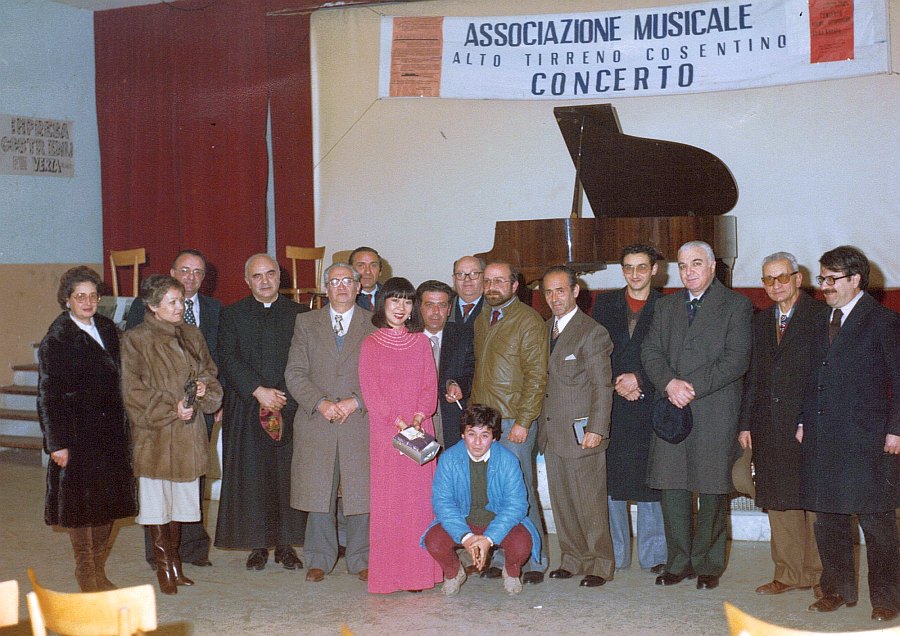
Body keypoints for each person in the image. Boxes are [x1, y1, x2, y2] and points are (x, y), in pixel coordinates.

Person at [641, 240, 752, 590]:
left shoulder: (737, 305)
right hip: (671, 408)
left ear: (712, 267)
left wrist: (690, 386)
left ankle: (708, 564)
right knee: (672, 488)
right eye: (683, 265)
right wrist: (669, 383)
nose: (688, 272)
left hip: (714, 410)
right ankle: (678, 562)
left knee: (712, 490)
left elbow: (736, 359)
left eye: (696, 264)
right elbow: (651, 350)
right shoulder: (666, 306)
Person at [798, 246, 900, 621]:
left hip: (868, 439)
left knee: (877, 522)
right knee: (829, 518)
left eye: (831, 279)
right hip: (823, 436)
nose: (823, 286)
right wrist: (803, 421)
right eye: (821, 278)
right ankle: (837, 590)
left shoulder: (884, 322)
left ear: (855, 280)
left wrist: (897, 429)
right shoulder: (819, 321)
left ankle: (887, 598)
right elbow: (813, 377)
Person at [37, 266, 137, 592]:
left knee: (107, 505)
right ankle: (85, 571)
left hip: (110, 436)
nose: (88, 301)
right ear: (67, 300)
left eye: (93, 295)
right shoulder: (57, 339)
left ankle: (98, 567)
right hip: (77, 437)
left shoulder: (108, 328)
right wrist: (56, 443)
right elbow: (47, 396)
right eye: (80, 296)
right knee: (81, 509)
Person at [121, 274, 222, 594]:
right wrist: (170, 408)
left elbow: (210, 372)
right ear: (152, 307)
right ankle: (164, 565)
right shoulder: (135, 339)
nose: (181, 307)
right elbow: (132, 391)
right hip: (156, 437)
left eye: (181, 301)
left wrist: (205, 390)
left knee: (181, 505)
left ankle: (176, 562)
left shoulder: (193, 335)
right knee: (156, 505)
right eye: (173, 302)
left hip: (188, 438)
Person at [738, 252, 826, 598]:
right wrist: (746, 423)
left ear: (798, 278)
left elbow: (824, 375)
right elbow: (754, 377)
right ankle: (789, 573)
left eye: (782, 278)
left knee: (814, 502)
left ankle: (822, 577)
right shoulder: (760, 321)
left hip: (808, 423)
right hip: (768, 425)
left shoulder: (821, 316)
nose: (775, 286)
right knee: (779, 500)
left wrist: (808, 418)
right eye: (768, 279)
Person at [214, 254, 307, 571]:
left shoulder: (300, 314)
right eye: (257, 276)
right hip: (247, 404)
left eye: (270, 274)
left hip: (289, 403)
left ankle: (286, 544)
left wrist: (280, 394)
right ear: (247, 280)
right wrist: (258, 390)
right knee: (253, 477)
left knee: (286, 477)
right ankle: (257, 544)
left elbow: (303, 359)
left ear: (280, 277)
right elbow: (227, 357)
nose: (265, 281)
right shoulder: (232, 315)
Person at [285, 263, 376, 584]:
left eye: (347, 281)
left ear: (358, 287)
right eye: (334, 281)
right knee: (318, 491)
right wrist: (320, 402)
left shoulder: (373, 324)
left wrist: (356, 401)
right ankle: (319, 558)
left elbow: (381, 375)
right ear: (326, 287)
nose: (340, 286)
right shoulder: (306, 323)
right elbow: (294, 372)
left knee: (360, 492)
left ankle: (361, 558)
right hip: (317, 419)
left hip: (358, 420)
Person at [358, 277, 443, 593]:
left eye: (407, 301)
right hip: (387, 434)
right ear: (383, 304)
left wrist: (420, 416)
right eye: (395, 300)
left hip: (420, 430)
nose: (401, 307)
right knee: (390, 505)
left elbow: (428, 385)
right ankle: (390, 575)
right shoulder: (370, 344)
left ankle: (420, 575)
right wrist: (398, 422)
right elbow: (371, 391)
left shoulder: (422, 342)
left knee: (420, 505)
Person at [470, 260, 549, 583]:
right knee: (494, 495)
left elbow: (536, 377)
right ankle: (504, 555)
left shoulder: (529, 321)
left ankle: (534, 561)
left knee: (522, 491)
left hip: (515, 420)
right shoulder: (482, 319)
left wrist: (524, 422)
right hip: (486, 424)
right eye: (487, 281)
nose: (492, 287)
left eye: (499, 281)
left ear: (515, 286)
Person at [592, 244, 668, 573]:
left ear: (654, 270)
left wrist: (640, 380)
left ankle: (654, 557)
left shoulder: (668, 306)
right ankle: (617, 555)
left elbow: (672, 356)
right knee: (613, 483)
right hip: (614, 406)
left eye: (641, 267)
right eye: (628, 267)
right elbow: (594, 351)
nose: (634, 274)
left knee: (651, 481)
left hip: (650, 404)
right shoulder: (605, 303)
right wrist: (614, 382)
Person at [539, 265, 615, 587]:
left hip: (582, 433)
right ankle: (571, 558)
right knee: (562, 501)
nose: (554, 298)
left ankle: (600, 563)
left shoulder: (592, 332)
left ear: (575, 291)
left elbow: (603, 386)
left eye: (560, 290)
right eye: (548, 292)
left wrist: (597, 428)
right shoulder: (542, 330)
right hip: (551, 432)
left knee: (590, 502)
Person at [422, 404, 541, 596]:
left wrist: (489, 539)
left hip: (497, 521)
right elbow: (442, 503)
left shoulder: (508, 460)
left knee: (523, 542)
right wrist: (466, 537)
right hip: (463, 520)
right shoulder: (448, 460)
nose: (477, 442)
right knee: (433, 540)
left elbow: (517, 505)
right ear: (462, 434)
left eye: (485, 435)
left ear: (494, 437)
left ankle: (511, 572)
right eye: (471, 434)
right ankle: (454, 573)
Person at [416, 279, 475, 448]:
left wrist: (457, 385)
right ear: (419, 307)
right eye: (429, 305)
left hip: (451, 420)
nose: (435, 312)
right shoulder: (407, 337)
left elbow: (471, 372)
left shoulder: (464, 335)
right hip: (416, 420)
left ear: (449, 309)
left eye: (441, 305)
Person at [448, 255, 485, 325]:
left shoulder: (495, 311)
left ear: (484, 277)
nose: (467, 279)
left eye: (474, 273)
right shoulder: (444, 308)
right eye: (460, 274)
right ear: (454, 279)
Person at [349, 246, 382, 311]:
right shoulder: (341, 299)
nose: (368, 271)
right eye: (361, 266)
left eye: (373, 265)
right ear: (350, 271)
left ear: (380, 271)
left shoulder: (391, 297)